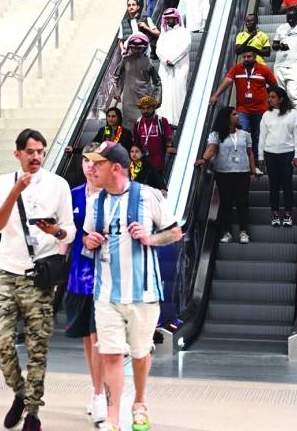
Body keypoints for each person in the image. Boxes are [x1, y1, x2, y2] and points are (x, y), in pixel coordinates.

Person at [81, 141, 183, 431]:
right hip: (105, 293)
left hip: (143, 293)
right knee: (111, 354)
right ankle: (113, 418)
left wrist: (150, 239)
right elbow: (87, 239)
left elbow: (175, 232)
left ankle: (139, 402)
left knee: (139, 353)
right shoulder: (95, 202)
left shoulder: (148, 196)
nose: (91, 168)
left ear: (115, 168)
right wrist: (90, 241)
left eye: (98, 163)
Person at [0, 129, 75, 431]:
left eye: (40, 151)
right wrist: (15, 192)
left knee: (38, 346)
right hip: (6, 272)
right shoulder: (3, 182)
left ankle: (33, 411)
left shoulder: (58, 184)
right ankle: (20, 393)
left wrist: (56, 232)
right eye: (30, 152)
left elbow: (69, 231)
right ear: (18, 154)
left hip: (39, 276)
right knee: (0, 340)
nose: (36, 157)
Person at [64, 144, 107, 425]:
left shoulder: (114, 195)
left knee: (98, 335)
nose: (90, 166)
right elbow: (66, 233)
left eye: (96, 161)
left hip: (107, 275)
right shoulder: (73, 195)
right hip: (79, 275)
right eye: (86, 161)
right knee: (87, 337)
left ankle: (102, 394)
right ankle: (97, 390)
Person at [197, 107, 258, 243]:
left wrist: (253, 171)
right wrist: (204, 159)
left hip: (242, 172)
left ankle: (244, 232)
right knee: (226, 203)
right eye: (234, 114)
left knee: (242, 202)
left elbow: (250, 153)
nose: (238, 116)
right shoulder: (216, 135)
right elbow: (211, 149)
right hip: (223, 173)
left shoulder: (244, 134)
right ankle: (227, 232)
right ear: (227, 117)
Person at [209, 46, 277, 161]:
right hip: (243, 109)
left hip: (261, 110)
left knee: (258, 136)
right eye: (244, 57)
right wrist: (216, 95)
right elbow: (227, 81)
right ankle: (243, 160)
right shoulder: (237, 69)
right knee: (242, 134)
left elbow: (274, 85)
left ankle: (256, 161)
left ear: (255, 57)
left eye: (249, 57)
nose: (246, 59)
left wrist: (271, 101)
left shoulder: (263, 69)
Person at [259, 86, 297, 228]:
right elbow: (262, 136)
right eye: (269, 97)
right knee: (273, 185)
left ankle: (288, 214)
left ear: (281, 99)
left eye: (272, 97)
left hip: (287, 153)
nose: (269, 99)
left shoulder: (293, 114)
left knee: (287, 184)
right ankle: (275, 214)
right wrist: (260, 156)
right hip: (270, 153)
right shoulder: (266, 115)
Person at [112, 33, 162, 126]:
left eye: (139, 48)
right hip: (128, 99)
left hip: (145, 99)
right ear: (130, 47)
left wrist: (158, 98)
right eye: (134, 48)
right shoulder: (125, 60)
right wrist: (117, 92)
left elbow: (157, 82)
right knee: (128, 125)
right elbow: (115, 77)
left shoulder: (148, 62)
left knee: (145, 125)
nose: (136, 50)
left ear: (144, 48)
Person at [155, 8, 191, 125]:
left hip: (180, 66)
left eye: (170, 18)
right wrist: (165, 60)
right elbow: (158, 50)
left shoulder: (185, 32)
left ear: (176, 18)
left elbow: (186, 47)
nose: (167, 20)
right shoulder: (163, 35)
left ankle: (179, 120)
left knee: (179, 90)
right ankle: (164, 120)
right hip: (165, 67)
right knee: (165, 91)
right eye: (166, 18)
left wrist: (174, 60)